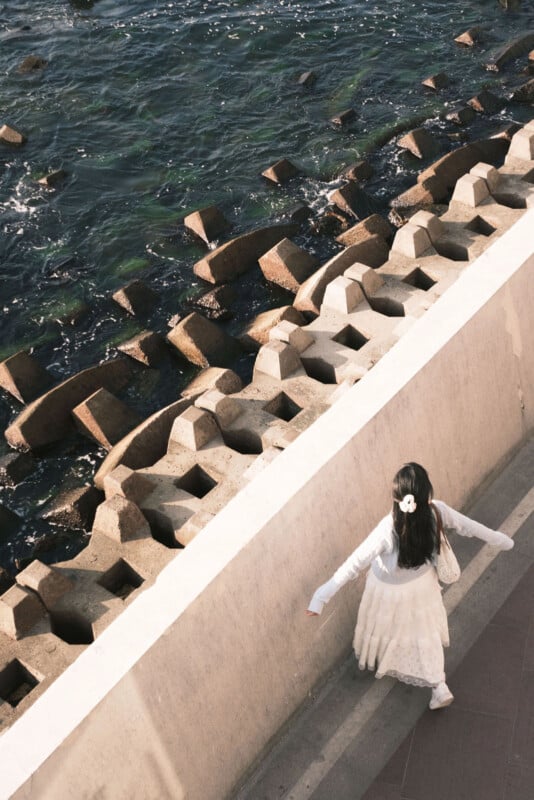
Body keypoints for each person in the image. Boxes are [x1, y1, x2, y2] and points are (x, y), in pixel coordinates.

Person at [306, 462, 514, 709]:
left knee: (388, 628)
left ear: (397, 498)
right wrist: (500, 540)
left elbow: (354, 564)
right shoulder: (437, 511)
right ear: (427, 494)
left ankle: (395, 659)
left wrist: (320, 597)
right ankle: (439, 685)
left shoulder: (388, 528)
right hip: (422, 587)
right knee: (425, 634)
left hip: (387, 592)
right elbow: (469, 526)